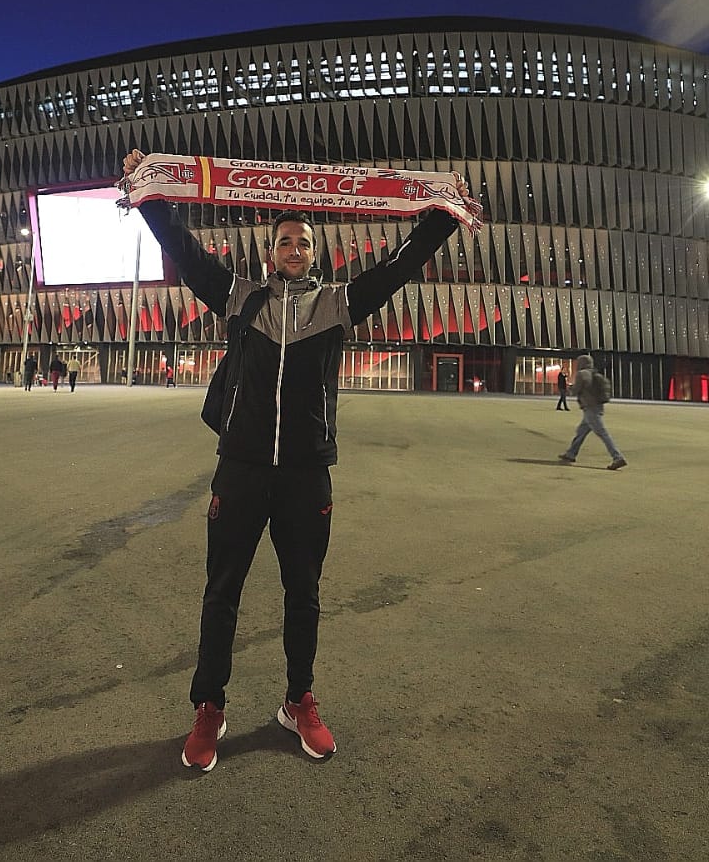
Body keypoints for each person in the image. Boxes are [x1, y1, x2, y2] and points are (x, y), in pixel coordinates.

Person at [123, 147, 471, 773]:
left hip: (307, 471)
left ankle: (298, 700)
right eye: (285, 242)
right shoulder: (239, 298)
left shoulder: (336, 304)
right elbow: (183, 249)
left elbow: (400, 267)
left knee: (303, 594)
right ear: (269, 252)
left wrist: (441, 217)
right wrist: (150, 193)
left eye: (304, 244)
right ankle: (210, 708)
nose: (294, 251)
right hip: (243, 468)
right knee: (221, 591)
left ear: (315, 253)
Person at [557, 354, 626, 470]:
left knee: (603, 434)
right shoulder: (594, 373)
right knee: (581, 432)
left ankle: (617, 457)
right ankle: (571, 454)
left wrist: (570, 388)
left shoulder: (581, 374)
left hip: (590, 408)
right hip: (597, 407)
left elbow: (576, 390)